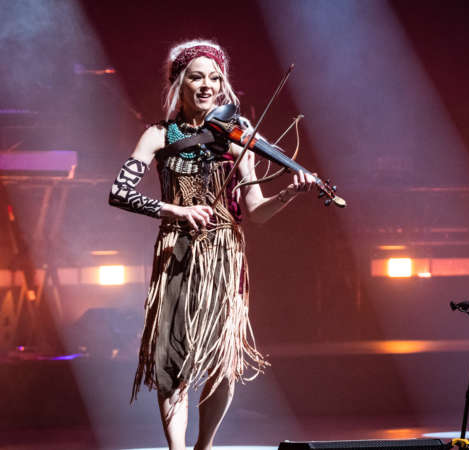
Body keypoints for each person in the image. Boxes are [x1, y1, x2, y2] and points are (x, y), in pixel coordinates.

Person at [108, 39, 316, 450]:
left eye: (215, 78)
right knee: (171, 362)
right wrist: (176, 211)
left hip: (224, 254)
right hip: (176, 254)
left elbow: (255, 212)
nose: (207, 85)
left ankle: (204, 446)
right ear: (179, 82)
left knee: (223, 362)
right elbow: (119, 192)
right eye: (197, 77)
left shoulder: (239, 138)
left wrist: (288, 195)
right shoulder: (156, 135)